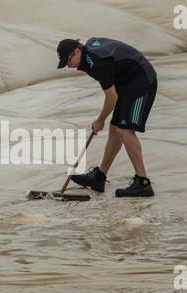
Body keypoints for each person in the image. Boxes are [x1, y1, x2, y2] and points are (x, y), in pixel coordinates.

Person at [57, 38, 157, 197]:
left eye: (68, 61)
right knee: (115, 128)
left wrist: (100, 120)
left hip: (142, 81)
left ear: (77, 51)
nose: (68, 65)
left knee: (125, 130)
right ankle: (99, 177)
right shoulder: (89, 53)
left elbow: (111, 97)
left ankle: (143, 182)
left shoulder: (98, 62)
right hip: (126, 82)